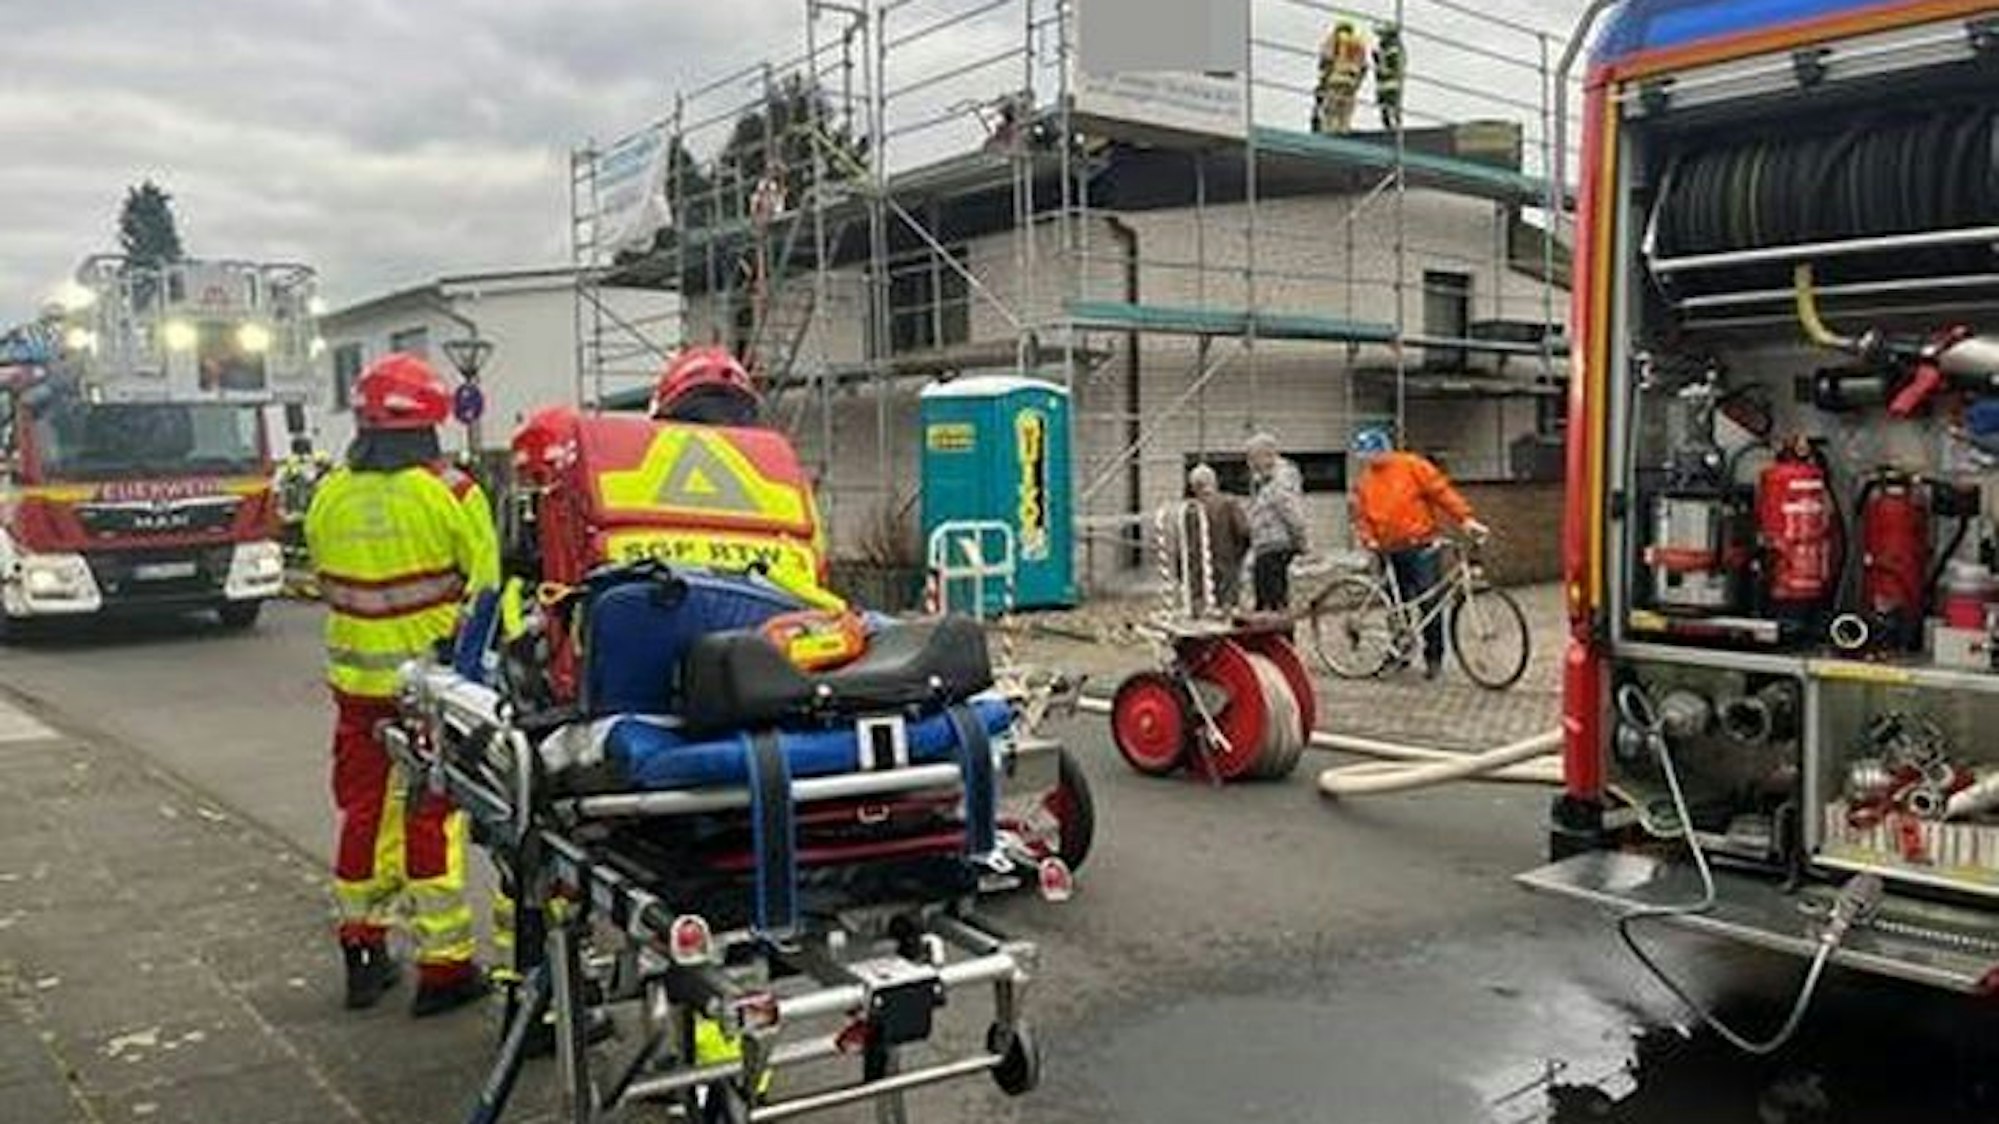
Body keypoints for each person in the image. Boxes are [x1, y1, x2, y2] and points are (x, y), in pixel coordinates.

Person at [306, 353, 501, 1016]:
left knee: (363, 813)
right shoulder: (452, 494)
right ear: (432, 419)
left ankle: (361, 951)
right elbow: (488, 596)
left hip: (354, 688)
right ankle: (443, 967)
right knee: (430, 816)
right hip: (430, 690)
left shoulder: (330, 493)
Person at [1347, 427, 1489, 678]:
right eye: (1364, 456)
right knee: (1396, 606)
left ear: (1385, 449)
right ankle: (1398, 651)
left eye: (1372, 454)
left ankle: (1433, 657)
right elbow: (1361, 516)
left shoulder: (1412, 466)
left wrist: (1465, 519)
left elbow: (1441, 492)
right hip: (1388, 549)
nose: (1368, 460)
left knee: (1429, 601)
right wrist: (1368, 538)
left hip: (1421, 545)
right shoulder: (1365, 481)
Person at [1246, 433, 1309, 611]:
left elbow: (1291, 512)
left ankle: (1281, 635)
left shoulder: (1281, 480)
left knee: (1274, 601)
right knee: (1263, 601)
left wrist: (1301, 541)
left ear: (1267, 455)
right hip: (1265, 547)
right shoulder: (1264, 481)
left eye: (1252, 457)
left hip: (1276, 546)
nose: (1249, 464)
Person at [1182, 463, 1250, 615]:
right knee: (1227, 608)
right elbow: (1244, 531)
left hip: (1199, 570)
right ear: (1214, 481)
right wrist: (1238, 554)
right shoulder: (1229, 503)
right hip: (1227, 564)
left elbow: (1184, 543)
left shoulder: (1189, 511)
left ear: (1193, 487)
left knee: (1202, 609)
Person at [1315, 21, 1370, 135]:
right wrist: (1357, 83)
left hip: (1335, 78)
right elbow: (1364, 67)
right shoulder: (1358, 43)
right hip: (1351, 80)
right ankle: (1344, 129)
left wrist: (1322, 82)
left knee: (1331, 109)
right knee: (1346, 109)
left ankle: (1330, 131)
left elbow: (1327, 60)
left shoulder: (1334, 39)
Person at [1373, 24, 1406, 131]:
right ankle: (1389, 128)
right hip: (1383, 83)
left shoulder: (1393, 48)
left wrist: (1380, 61)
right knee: (1385, 108)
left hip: (1391, 83)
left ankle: (1395, 128)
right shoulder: (1385, 48)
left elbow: (1394, 66)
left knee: (1392, 106)